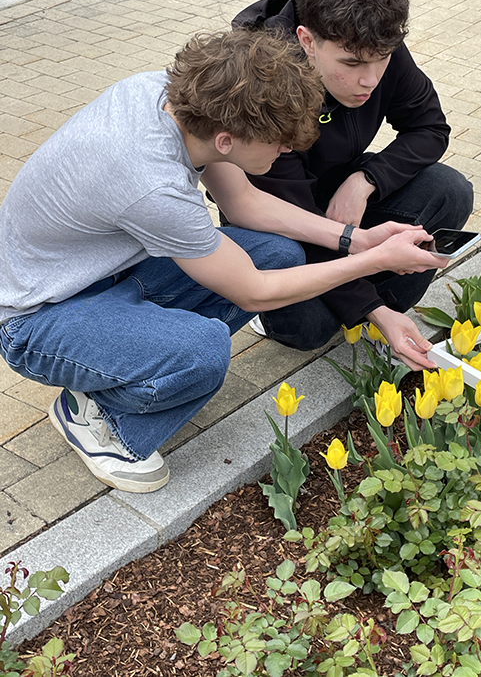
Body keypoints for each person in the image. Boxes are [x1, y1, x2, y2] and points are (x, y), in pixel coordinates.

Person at [0, 29, 446, 494]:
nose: (288, 149)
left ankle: (134, 353)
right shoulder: (153, 183)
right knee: (202, 351)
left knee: (276, 254)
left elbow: (247, 204)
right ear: (227, 141)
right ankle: (101, 419)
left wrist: (357, 239)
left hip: (100, 277)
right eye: (278, 141)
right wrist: (374, 262)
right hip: (36, 319)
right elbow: (252, 291)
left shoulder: (172, 99)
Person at [233, 0, 474, 366]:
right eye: (351, 64)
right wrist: (375, 311)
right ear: (306, 40)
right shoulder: (262, 82)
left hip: (344, 190)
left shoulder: (372, 42)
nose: (369, 80)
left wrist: (366, 180)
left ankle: (376, 313)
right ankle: (327, 313)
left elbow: (431, 128)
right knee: (311, 330)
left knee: (448, 189)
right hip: (278, 217)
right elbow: (288, 214)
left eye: (381, 60)